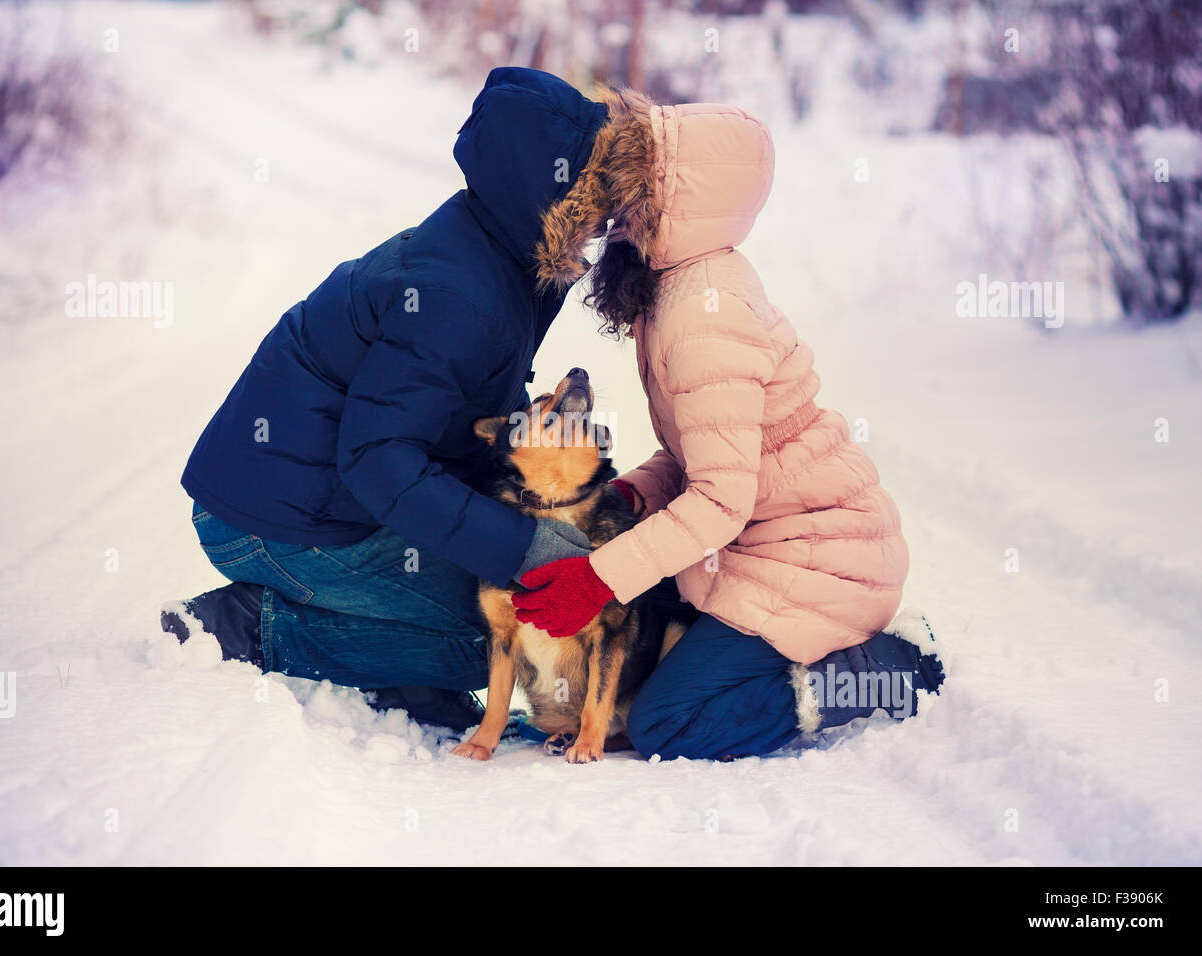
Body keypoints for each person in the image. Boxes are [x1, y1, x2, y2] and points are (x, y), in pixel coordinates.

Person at [163, 68, 618, 731]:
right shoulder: (456, 292)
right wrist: (525, 549)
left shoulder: (494, 255)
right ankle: (249, 626)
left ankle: (401, 665)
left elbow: (446, 412)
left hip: (319, 501)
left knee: (502, 585)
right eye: (592, 195)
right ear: (546, 193)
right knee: (498, 634)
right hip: (268, 522)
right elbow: (381, 462)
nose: (602, 219)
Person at [509, 89, 946, 760]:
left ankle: (881, 672)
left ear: (674, 200)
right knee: (644, 649)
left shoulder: (703, 314)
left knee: (667, 723)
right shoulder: (680, 284)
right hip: (761, 544)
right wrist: (634, 495)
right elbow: (702, 457)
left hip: (818, 562)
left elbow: (721, 498)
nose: (611, 216)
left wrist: (597, 579)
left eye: (628, 195)